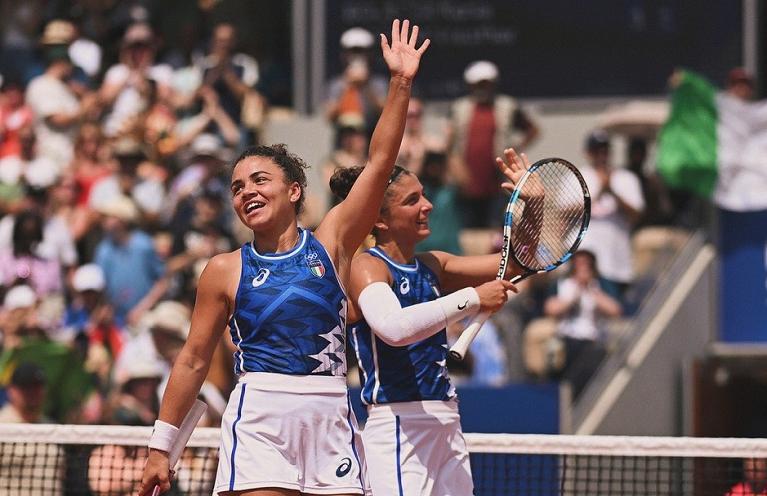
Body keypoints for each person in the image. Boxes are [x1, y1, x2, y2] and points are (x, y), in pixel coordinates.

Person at [139, 19, 429, 496]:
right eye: (236, 187)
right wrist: (160, 447)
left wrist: (399, 82)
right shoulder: (223, 269)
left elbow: (380, 162)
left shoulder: (332, 241)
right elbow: (192, 360)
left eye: (258, 180)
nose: (246, 191)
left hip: (330, 416)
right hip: (260, 419)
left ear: (294, 190)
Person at [332, 149, 529, 496]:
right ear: (380, 220)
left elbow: (516, 264)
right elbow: (393, 329)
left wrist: (533, 204)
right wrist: (472, 299)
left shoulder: (433, 264)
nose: (428, 205)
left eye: (424, 194)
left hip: (446, 421)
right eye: (413, 200)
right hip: (398, 427)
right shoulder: (367, 267)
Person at [449, 60, 540, 228]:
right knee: (467, 228)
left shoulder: (507, 106)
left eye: (486, 84)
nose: (483, 89)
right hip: (467, 181)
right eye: (479, 84)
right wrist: (455, 167)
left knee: (495, 228)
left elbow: (533, 130)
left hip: (497, 181)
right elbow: (450, 143)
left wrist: (513, 150)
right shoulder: (459, 107)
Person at [543, 250, 622, 399]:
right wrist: (575, 293)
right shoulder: (562, 284)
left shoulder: (600, 285)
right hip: (567, 337)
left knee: (593, 355)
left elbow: (615, 309)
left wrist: (591, 290)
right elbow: (551, 308)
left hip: (593, 338)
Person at [577, 129, 644, 298]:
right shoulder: (578, 176)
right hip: (586, 263)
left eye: (605, 149)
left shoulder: (627, 178)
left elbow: (637, 215)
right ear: (588, 153)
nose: (602, 154)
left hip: (618, 264)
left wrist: (612, 192)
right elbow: (565, 214)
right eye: (596, 150)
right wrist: (599, 192)